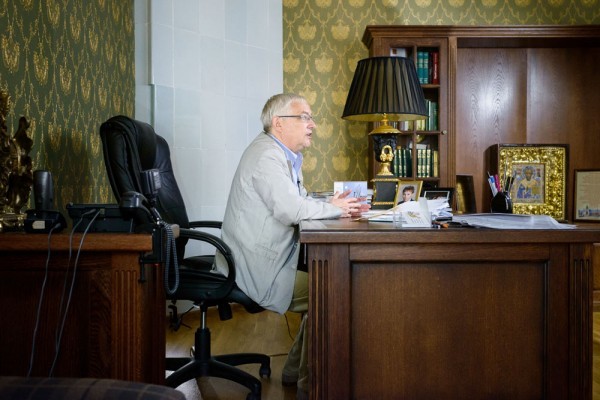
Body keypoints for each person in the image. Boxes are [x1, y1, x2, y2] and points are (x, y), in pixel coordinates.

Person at [213, 93, 369, 399]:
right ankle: (311, 387)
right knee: (329, 289)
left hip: (256, 257)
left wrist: (331, 203)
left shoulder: (281, 154)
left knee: (323, 285)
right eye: (305, 117)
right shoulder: (267, 156)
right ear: (279, 123)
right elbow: (289, 210)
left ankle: (295, 372)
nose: (313, 125)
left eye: (311, 118)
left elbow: (297, 200)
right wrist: (334, 208)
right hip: (252, 266)